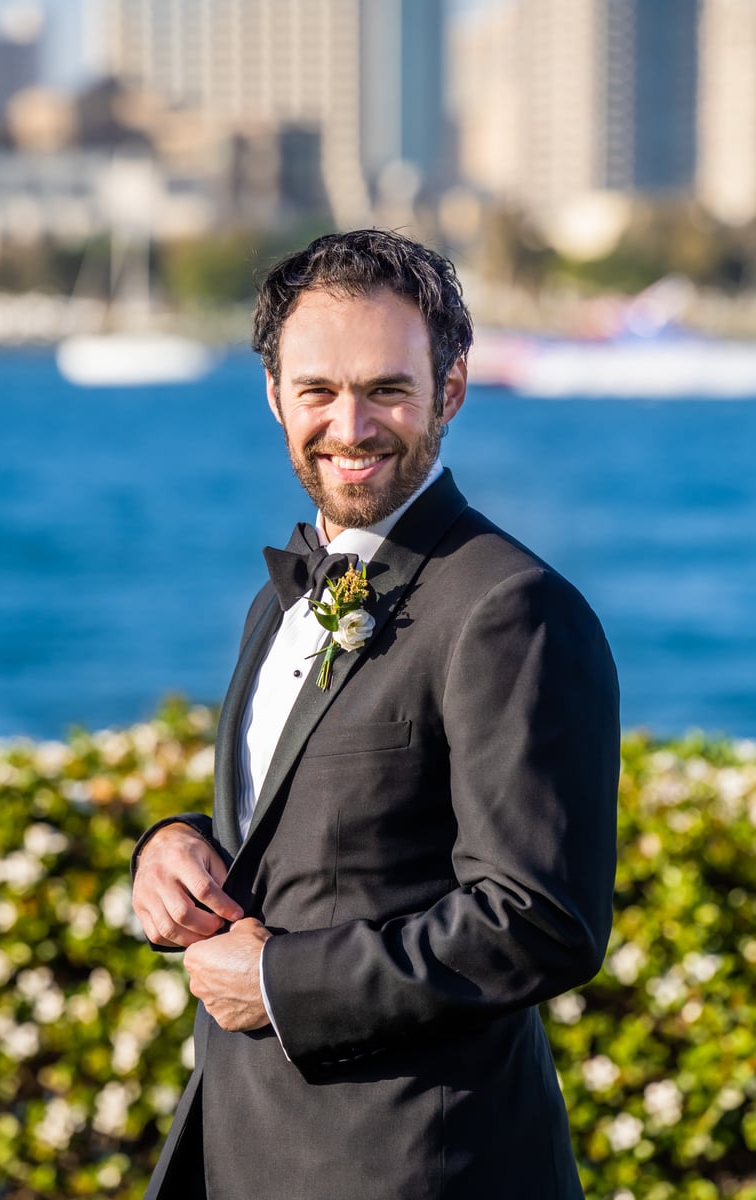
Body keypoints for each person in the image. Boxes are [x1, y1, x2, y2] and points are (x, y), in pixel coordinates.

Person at [131, 229, 620, 1200]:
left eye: (386, 390)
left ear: (450, 389)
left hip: (414, 1167)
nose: (349, 428)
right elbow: (308, 820)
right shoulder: (277, 600)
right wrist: (173, 845)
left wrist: (279, 984)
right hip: (247, 1149)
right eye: (316, 390)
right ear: (273, 395)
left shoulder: (510, 607)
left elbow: (540, 919)